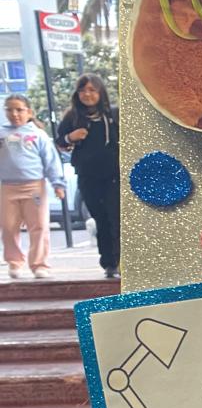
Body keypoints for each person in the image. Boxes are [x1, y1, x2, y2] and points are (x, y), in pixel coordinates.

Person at [55, 74, 119, 279]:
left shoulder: (113, 115)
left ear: (100, 92)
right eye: (83, 90)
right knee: (100, 218)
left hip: (113, 176)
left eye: (92, 90)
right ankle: (109, 263)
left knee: (116, 217)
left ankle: (121, 261)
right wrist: (70, 137)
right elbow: (60, 142)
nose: (87, 94)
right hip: (88, 176)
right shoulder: (72, 117)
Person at [2, 94, 65, 280]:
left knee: (38, 226)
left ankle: (39, 264)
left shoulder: (38, 134)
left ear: (29, 112)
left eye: (19, 110)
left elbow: (51, 161)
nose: (14, 114)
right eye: (10, 110)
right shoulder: (1, 133)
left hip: (34, 187)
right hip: (7, 188)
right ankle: (14, 262)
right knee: (8, 227)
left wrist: (57, 183)